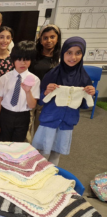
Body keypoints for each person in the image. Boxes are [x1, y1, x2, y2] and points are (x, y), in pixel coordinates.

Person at [32, 37, 95, 166]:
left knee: (56, 152)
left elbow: (83, 105)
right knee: (42, 152)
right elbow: (40, 101)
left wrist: (89, 94)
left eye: (78, 53)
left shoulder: (84, 77)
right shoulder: (52, 74)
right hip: (49, 120)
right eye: (69, 52)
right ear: (63, 53)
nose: (73, 57)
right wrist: (46, 92)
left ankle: (52, 176)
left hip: (67, 123)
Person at [0, 41, 40, 142]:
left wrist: (28, 92)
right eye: (19, 59)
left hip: (23, 116)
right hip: (6, 115)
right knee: (3, 144)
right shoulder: (4, 78)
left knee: (18, 146)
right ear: (13, 60)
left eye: (26, 59)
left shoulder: (35, 80)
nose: (23, 63)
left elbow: (32, 106)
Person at [27, 24, 62, 142]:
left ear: (57, 39)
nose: (49, 41)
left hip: (47, 99)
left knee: (40, 131)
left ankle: (37, 156)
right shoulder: (33, 55)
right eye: (45, 38)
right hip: (30, 96)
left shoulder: (60, 59)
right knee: (26, 128)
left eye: (52, 37)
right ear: (40, 40)